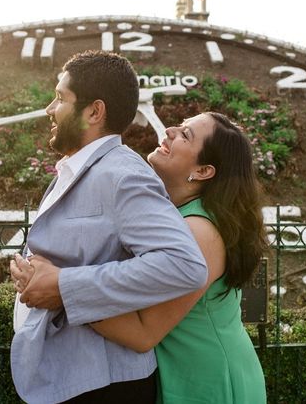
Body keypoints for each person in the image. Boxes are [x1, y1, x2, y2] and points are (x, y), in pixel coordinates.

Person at [14, 112, 268, 403]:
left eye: (186, 134)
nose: (170, 130)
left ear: (203, 171)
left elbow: (143, 333)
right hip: (182, 372)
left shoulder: (199, 230)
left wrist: (61, 289)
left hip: (205, 380)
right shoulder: (176, 214)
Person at [9, 50, 208, 404]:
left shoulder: (123, 176)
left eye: (60, 98)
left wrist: (63, 286)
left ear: (94, 112)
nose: (49, 109)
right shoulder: (78, 168)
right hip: (70, 378)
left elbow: (184, 265)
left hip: (103, 387)